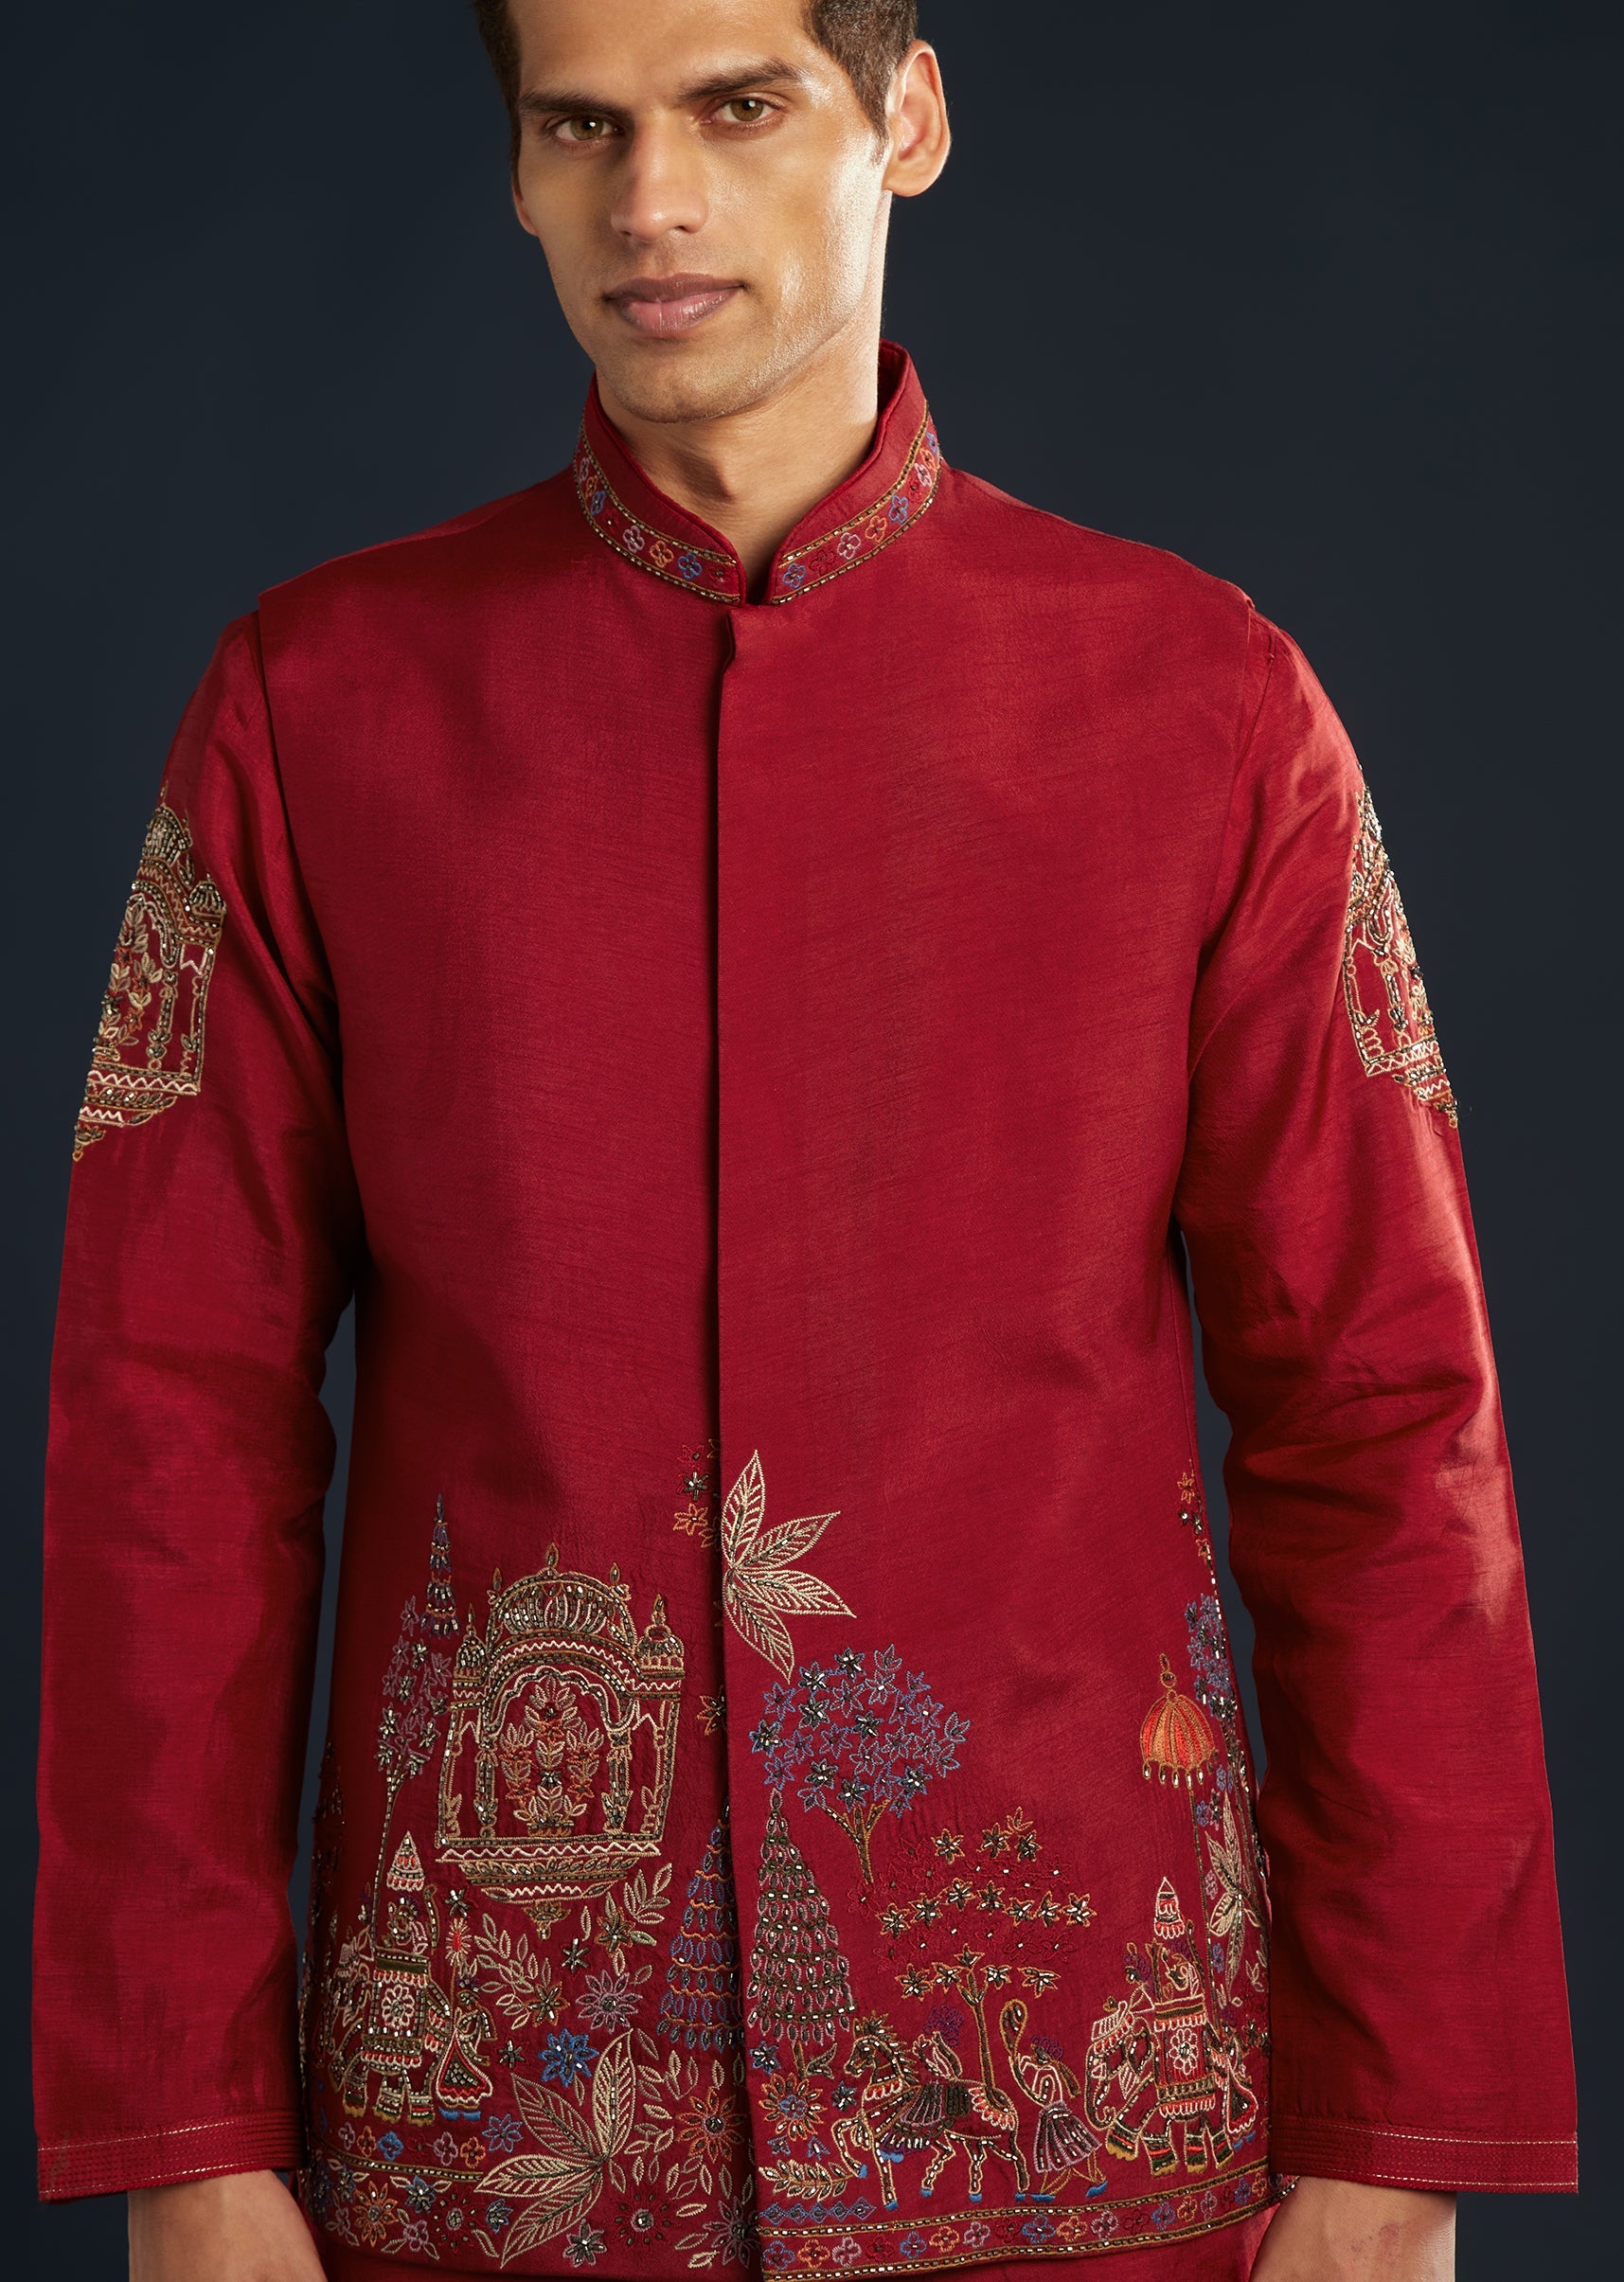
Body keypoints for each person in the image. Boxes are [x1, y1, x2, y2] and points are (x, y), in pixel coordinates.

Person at [32, 4, 1577, 2279]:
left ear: (906, 117)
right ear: (520, 171)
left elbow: (1385, 1419)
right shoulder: (315, 708)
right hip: (477, 2160)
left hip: (1095, 2137)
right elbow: (169, 1431)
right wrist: (183, 2125)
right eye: (582, 125)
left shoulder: (1207, 710)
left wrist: (1400, 2131)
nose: (651, 202)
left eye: (737, 106)